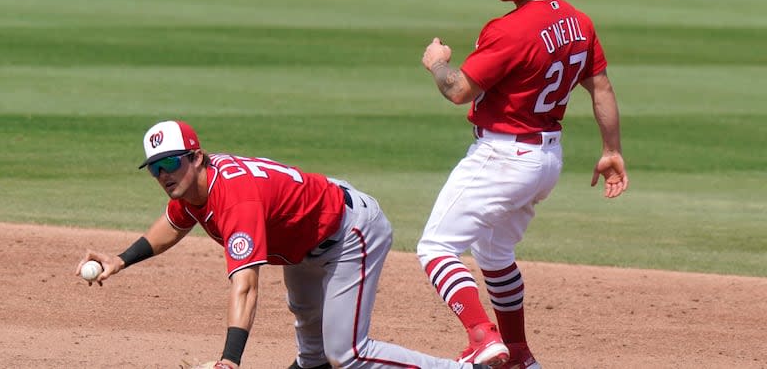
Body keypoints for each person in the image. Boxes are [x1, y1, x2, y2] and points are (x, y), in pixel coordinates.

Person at [75, 120, 493, 369]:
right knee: (311, 354)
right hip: (304, 245)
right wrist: (120, 259)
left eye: (171, 163)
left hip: (348, 233)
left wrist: (229, 360)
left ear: (197, 157)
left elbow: (246, 285)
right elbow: (173, 223)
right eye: (155, 169)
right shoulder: (193, 189)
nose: (164, 174)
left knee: (345, 354)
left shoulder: (234, 197)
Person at [416, 0, 629, 369]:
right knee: (494, 253)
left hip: (502, 156)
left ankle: (483, 337)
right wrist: (612, 149)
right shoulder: (578, 21)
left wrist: (438, 64)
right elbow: (602, 87)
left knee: (435, 247)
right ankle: (517, 352)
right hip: (545, 160)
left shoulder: (510, 30)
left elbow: (458, 90)